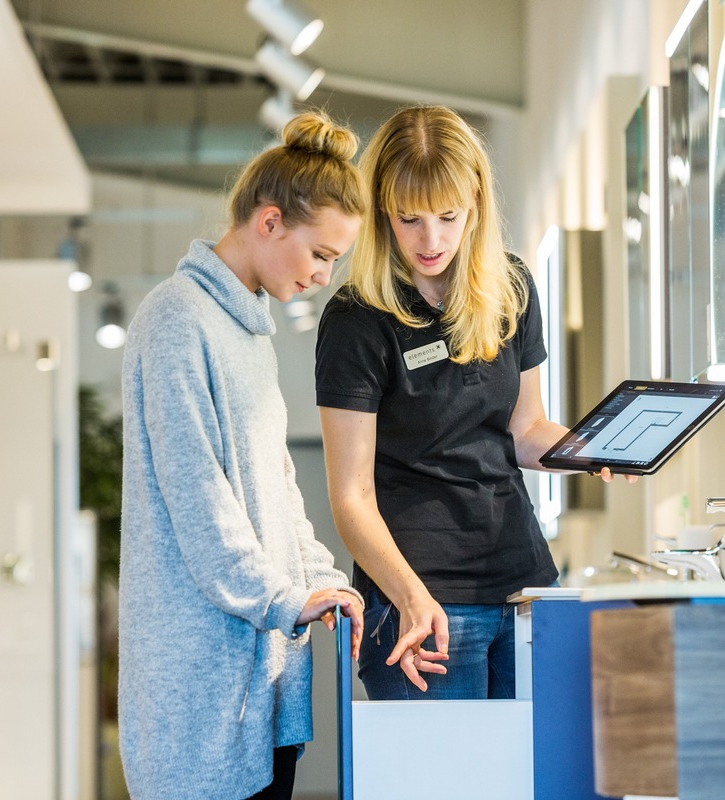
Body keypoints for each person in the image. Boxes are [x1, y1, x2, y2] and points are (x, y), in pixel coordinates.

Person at [315, 105, 632, 702]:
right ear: (383, 210)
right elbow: (350, 496)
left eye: (447, 216)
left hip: (521, 583)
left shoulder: (509, 287)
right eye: (409, 219)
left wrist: (589, 450)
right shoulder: (356, 320)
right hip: (421, 598)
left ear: (477, 203)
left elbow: (525, 429)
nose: (430, 239)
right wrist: (410, 599)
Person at [118, 110, 366, 800]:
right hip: (197, 685)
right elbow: (201, 501)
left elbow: (278, 489)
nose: (323, 276)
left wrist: (320, 577)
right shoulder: (175, 320)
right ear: (269, 222)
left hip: (265, 669)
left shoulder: (251, 336)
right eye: (320, 254)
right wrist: (286, 598)